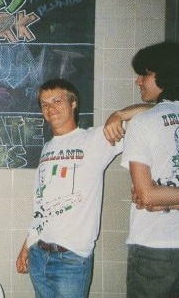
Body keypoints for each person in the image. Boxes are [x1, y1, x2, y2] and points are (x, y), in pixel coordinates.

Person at [15, 78, 141, 298]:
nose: (50, 108)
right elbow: (42, 205)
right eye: (45, 104)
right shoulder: (47, 148)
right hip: (39, 255)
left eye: (57, 101)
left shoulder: (94, 139)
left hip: (71, 259)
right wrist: (28, 245)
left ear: (73, 103)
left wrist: (119, 115)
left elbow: (154, 112)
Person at [117, 41, 179, 297]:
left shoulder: (143, 123)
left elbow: (146, 196)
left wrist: (163, 200)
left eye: (145, 73)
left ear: (165, 74)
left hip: (153, 247)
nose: (138, 81)